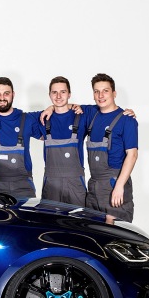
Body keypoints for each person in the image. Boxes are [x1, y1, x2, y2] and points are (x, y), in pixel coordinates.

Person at [84, 73, 138, 222]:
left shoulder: (127, 120)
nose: (100, 95)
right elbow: (64, 105)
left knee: (114, 231)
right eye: (96, 91)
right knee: (93, 230)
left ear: (114, 93)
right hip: (94, 186)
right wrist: (50, 108)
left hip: (114, 184)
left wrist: (119, 186)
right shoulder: (92, 114)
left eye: (105, 91)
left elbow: (132, 155)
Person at [33, 76, 88, 206]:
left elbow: (105, 109)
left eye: (63, 92)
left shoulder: (82, 115)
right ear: (49, 95)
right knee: (50, 217)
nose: (58, 96)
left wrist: (126, 112)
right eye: (54, 92)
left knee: (78, 218)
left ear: (69, 94)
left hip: (75, 184)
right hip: (51, 184)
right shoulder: (42, 117)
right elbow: (12, 116)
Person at [0, 77, 38, 198]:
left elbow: (57, 111)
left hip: (24, 186)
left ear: (13, 94)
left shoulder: (27, 119)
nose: (2, 98)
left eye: (6, 93)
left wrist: (55, 107)